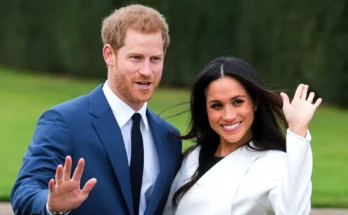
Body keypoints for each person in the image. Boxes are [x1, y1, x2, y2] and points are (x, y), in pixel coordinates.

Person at [10, 4, 182, 215]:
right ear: (109, 55)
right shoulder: (64, 122)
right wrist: (50, 204)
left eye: (155, 59)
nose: (147, 71)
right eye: (136, 58)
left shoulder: (169, 137)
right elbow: (25, 190)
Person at [163, 56, 322, 215]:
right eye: (217, 105)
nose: (229, 115)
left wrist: (298, 130)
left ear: (255, 102)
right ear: (205, 109)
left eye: (238, 102)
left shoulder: (274, 163)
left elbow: (294, 211)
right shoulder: (192, 157)